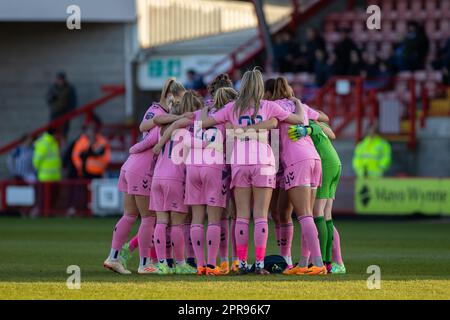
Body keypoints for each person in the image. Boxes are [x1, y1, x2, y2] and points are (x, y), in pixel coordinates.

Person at [199, 69, 305, 275]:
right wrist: (297, 102)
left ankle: (240, 262)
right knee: (260, 216)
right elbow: (298, 119)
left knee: (242, 216)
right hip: (263, 161)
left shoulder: (232, 108)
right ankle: (258, 264)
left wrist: (210, 110)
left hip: (240, 161)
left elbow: (203, 124)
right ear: (260, 86)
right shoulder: (268, 106)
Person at [104, 78, 186, 274]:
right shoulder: (161, 115)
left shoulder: (155, 110)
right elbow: (148, 133)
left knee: (130, 215)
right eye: (181, 100)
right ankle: (144, 263)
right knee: (149, 218)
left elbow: (143, 128)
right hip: (143, 169)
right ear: (172, 97)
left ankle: (114, 257)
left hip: (130, 166)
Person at [154, 88, 237, 276]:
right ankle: (211, 265)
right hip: (214, 167)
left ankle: (199, 265)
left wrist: (160, 144)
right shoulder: (228, 115)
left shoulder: (200, 114)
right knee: (214, 220)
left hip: (192, 167)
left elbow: (176, 126)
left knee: (197, 219)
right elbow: (231, 140)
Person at [265, 77, 328, 276]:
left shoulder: (271, 107)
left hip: (296, 161)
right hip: (314, 159)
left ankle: (316, 263)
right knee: (307, 214)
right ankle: (304, 262)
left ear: (267, 93)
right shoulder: (296, 104)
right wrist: (300, 107)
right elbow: (324, 118)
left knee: (304, 215)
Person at [148, 92, 202, 275]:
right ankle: (180, 263)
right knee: (177, 225)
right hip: (175, 177)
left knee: (161, 222)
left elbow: (156, 120)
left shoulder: (165, 126)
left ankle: (162, 264)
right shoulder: (191, 125)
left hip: (158, 177)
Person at [291, 120, 346, 274]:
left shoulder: (302, 119)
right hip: (334, 162)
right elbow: (332, 133)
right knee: (326, 215)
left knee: (316, 214)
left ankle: (321, 262)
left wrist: (307, 129)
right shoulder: (314, 118)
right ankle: (334, 263)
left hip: (325, 163)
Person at [46, 72, 77, 140]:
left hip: (65, 111)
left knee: (64, 129)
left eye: (61, 79)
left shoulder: (69, 88)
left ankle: (63, 140)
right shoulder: (53, 88)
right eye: (59, 79)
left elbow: (73, 100)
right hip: (55, 110)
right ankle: (52, 139)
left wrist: (71, 110)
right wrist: (51, 98)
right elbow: (48, 99)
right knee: (52, 127)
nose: (60, 81)